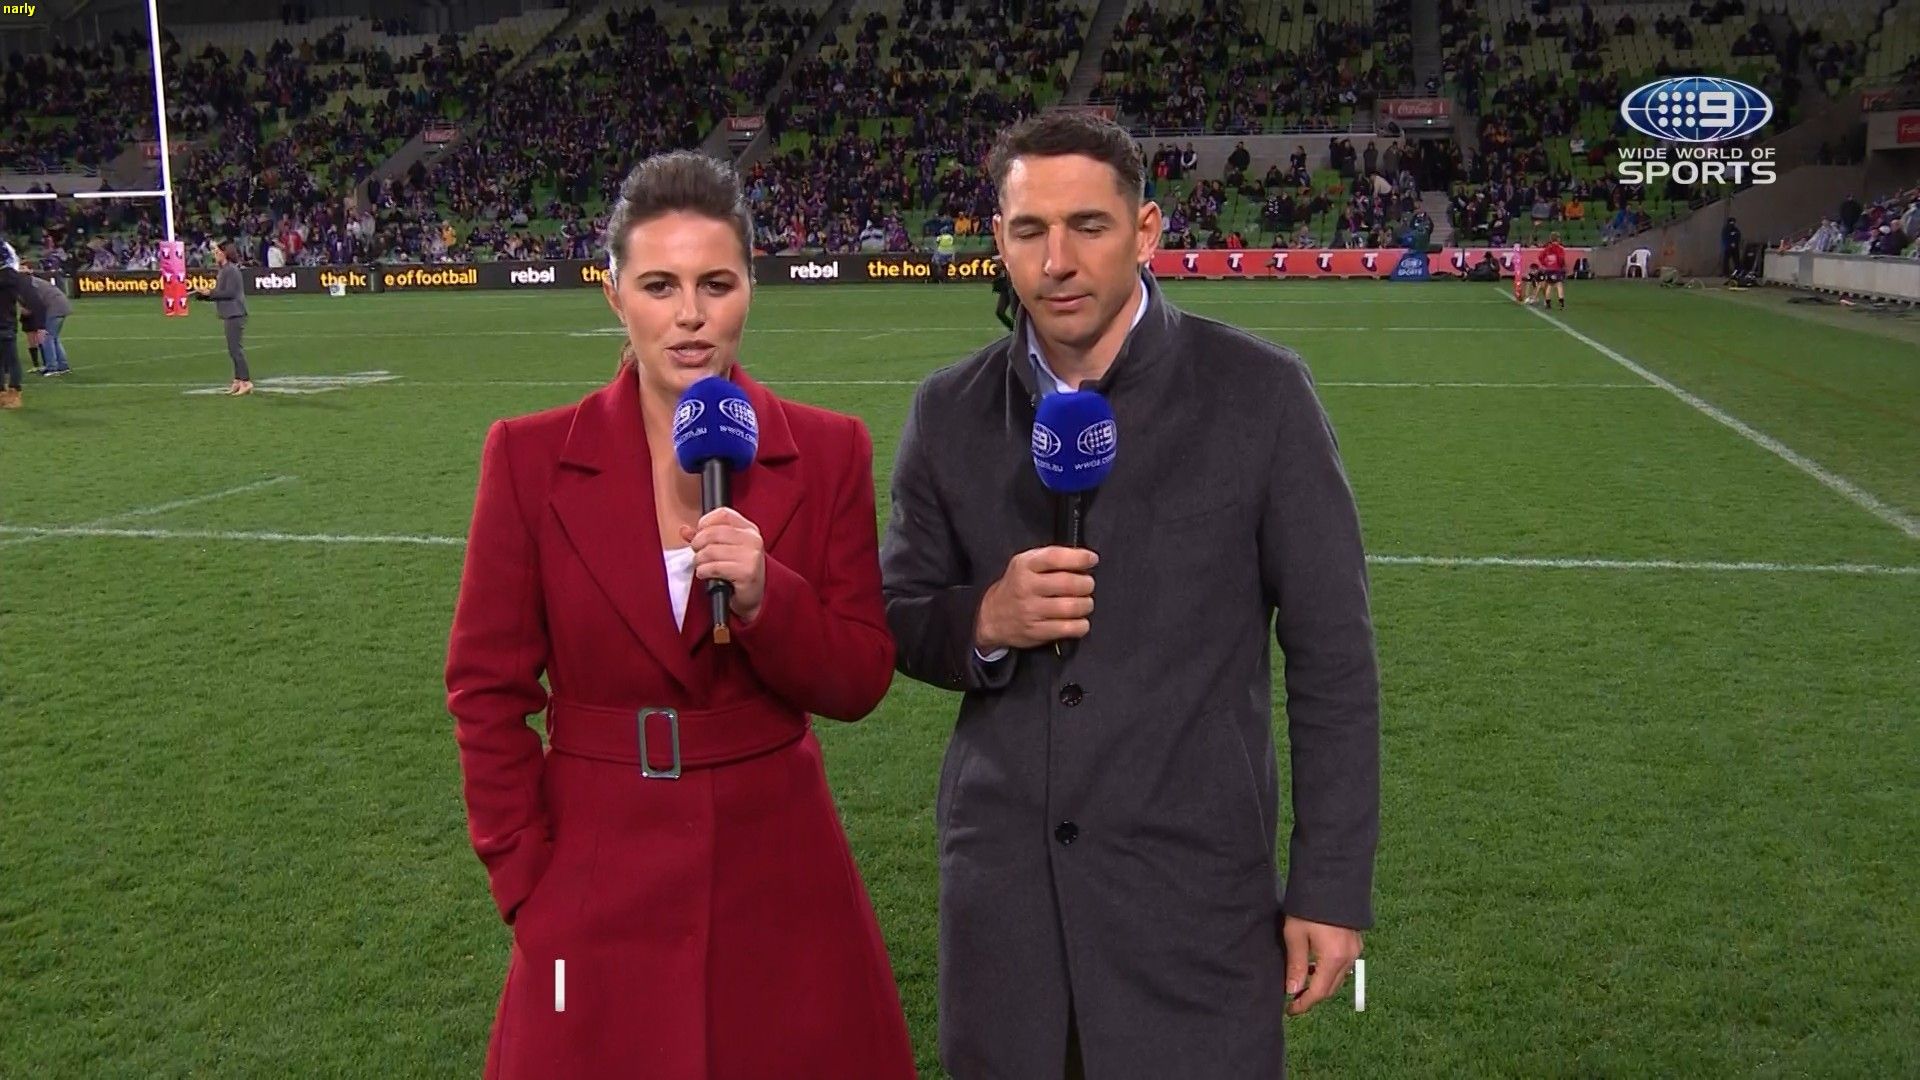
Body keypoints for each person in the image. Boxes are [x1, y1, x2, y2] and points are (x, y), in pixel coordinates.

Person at [881, 111, 1379, 1079]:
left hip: (1192, 904)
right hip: (1006, 910)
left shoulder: (1261, 395)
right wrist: (984, 619)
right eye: (1031, 231)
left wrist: (1329, 885)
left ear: (1146, 231)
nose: (1057, 261)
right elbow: (898, 612)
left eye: (1088, 226)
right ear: (999, 240)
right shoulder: (948, 411)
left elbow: (1335, 660)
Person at [445, 150, 915, 1080]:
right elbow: (486, 691)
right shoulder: (528, 459)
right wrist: (526, 882)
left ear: (751, 289)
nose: (690, 315)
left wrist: (768, 597)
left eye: (716, 284)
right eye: (660, 285)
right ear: (614, 294)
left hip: (779, 866)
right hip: (590, 870)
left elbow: (861, 675)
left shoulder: (829, 449)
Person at [191, 242, 253, 395]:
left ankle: (246, 381)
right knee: (233, 349)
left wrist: (209, 293)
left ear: (225, 253)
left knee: (235, 349)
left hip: (235, 313)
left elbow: (230, 293)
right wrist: (203, 295)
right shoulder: (224, 270)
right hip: (230, 313)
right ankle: (238, 381)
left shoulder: (231, 270)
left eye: (217, 251)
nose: (214, 254)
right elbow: (220, 293)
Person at [0, 244, 48, 410]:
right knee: (10, 360)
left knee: (7, 361)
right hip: (7, 324)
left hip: (4, 324)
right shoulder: (13, 278)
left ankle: (7, 393)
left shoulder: (7, 278)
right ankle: (12, 394)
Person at [21, 260, 72, 376]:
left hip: (54, 307)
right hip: (61, 305)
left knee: (46, 337)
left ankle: (52, 368)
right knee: (53, 337)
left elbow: (37, 304)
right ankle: (62, 366)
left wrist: (36, 321)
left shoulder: (29, 284)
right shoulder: (33, 282)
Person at [1536, 231, 1569, 308]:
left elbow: (1540, 257)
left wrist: (1545, 264)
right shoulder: (1560, 248)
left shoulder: (1547, 248)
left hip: (1549, 269)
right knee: (1559, 285)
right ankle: (1561, 302)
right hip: (1557, 269)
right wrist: (1562, 266)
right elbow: (1561, 259)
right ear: (1558, 239)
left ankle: (1548, 303)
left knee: (1549, 285)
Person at [990, 249, 1020, 329]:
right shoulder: (1001, 271)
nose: (996, 264)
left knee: (1015, 313)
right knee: (999, 312)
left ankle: (1019, 330)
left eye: (997, 262)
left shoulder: (1012, 269)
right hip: (1006, 290)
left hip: (1014, 290)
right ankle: (1013, 328)